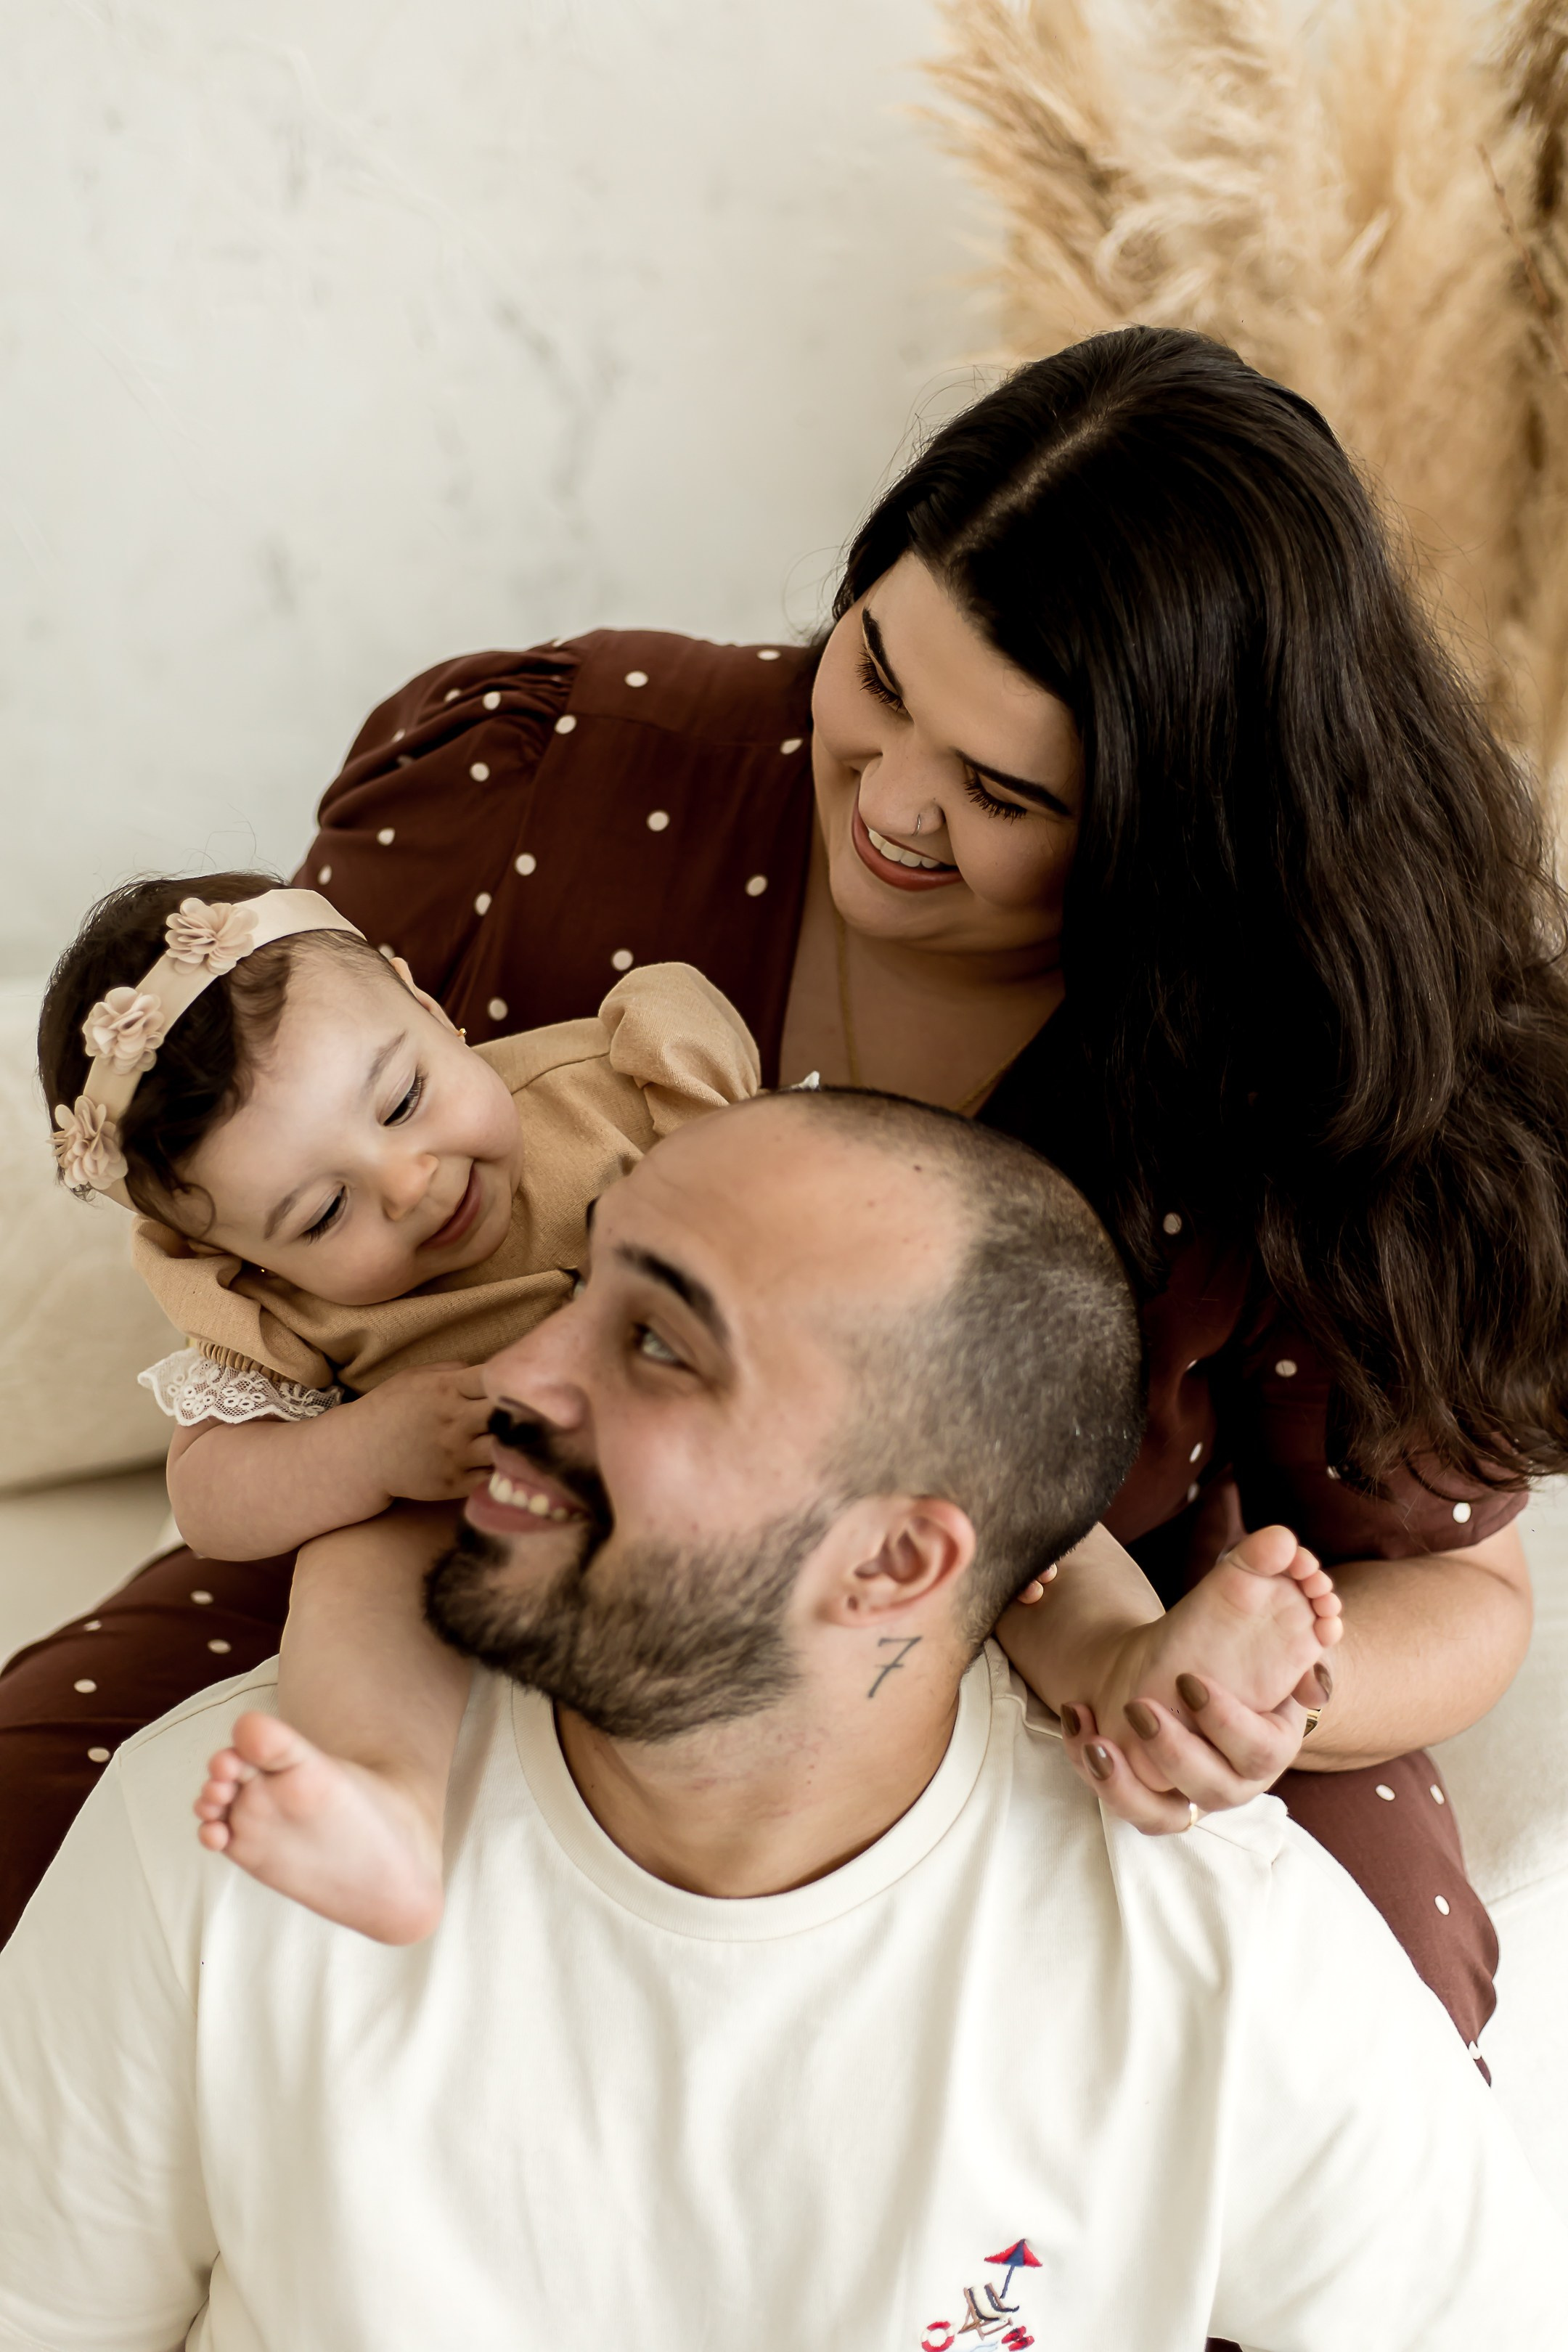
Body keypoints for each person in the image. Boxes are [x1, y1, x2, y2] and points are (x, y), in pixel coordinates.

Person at [6, 328, 1565, 2057]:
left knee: (1353, 2051)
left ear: (1184, 821)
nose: (892, 808)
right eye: (879, 676)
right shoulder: (549, 784)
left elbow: (1469, 1594)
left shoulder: (1302, 1061)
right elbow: (268, 1174)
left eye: (1005, 793)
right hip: (457, 1542)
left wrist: (1248, 1698)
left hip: (1004, 1638)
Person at [0, 1091, 1557, 2352]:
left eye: (658, 1345)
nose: (519, 1373)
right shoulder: (217, 1836)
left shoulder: (1229, 1972)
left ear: (894, 1564)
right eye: (579, 1288)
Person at [37, 870, 760, 1938]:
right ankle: (386, 1802)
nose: (411, 1182)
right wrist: (364, 1452)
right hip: (493, 1519)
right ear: (229, 1256)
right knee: (356, 1558)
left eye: (404, 1099)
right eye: (325, 1210)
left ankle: (1088, 1633)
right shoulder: (281, 1316)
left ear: (424, 1006)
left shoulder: (618, 1087)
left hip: (724, 1431)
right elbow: (209, 1502)